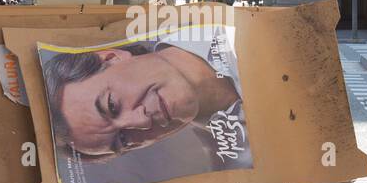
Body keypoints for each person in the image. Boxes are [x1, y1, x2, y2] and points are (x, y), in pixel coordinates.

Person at [44, 39, 243, 160]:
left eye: (112, 105)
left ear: (111, 57)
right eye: (123, 139)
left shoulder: (213, 25)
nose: (140, 121)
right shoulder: (239, 160)